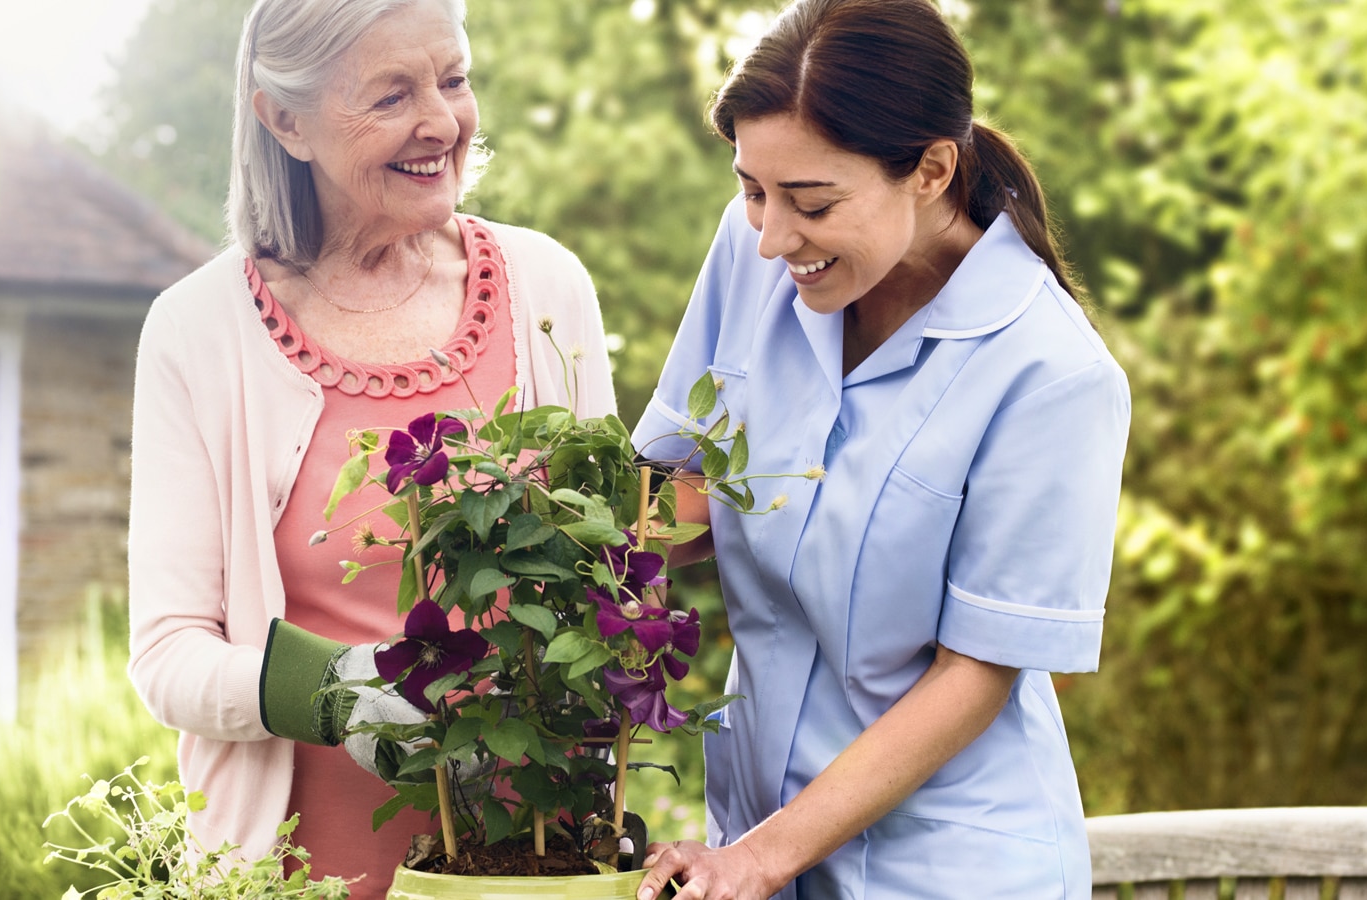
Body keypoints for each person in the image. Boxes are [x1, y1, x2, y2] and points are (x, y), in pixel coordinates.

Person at [630, 0, 1130, 897]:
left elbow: (973, 676)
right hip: (753, 836)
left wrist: (760, 857)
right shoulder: (756, 252)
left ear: (933, 168)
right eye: (751, 189)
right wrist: (550, 535)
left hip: (947, 867)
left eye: (812, 203)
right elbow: (683, 487)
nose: (773, 234)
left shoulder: (1050, 374)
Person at [125, 0, 614, 895]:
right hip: (300, 873)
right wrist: (344, 693)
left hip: (538, 866)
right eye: (390, 97)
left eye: (455, 79)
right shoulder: (199, 330)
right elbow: (167, 658)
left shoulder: (546, 287)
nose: (441, 121)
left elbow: (604, 581)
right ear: (283, 118)